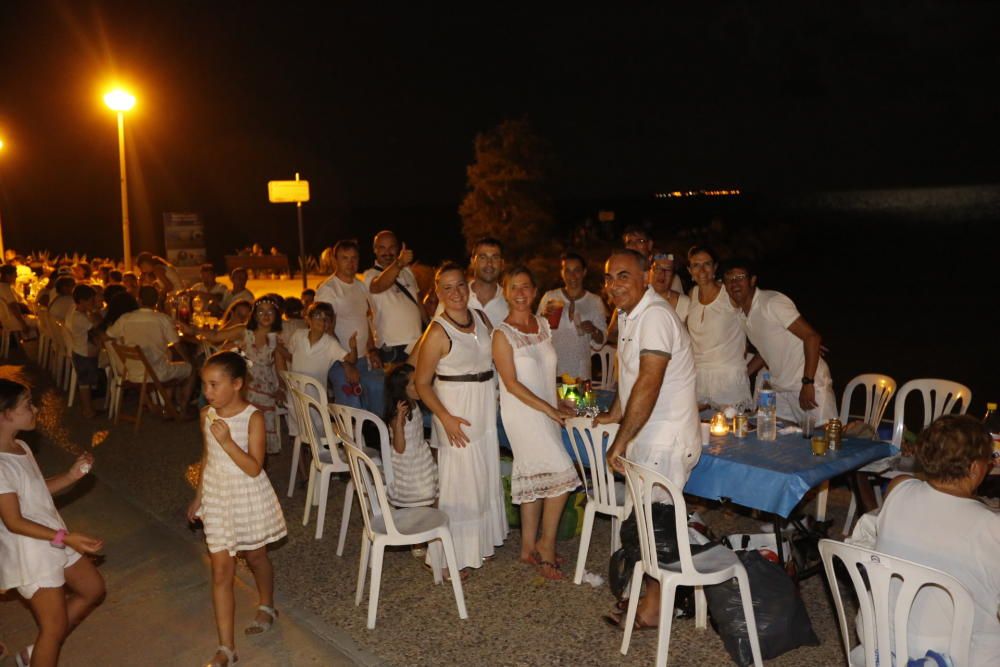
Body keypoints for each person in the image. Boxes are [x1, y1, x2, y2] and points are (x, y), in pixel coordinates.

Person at [597, 249, 700, 631]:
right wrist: (613, 414)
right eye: (609, 278)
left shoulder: (655, 316)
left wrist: (619, 440)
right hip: (648, 435)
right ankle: (650, 596)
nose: (614, 285)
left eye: (623, 276)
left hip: (666, 439)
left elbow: (650, 381)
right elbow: (630, 374)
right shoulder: (629, 315)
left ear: (646, 277)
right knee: (644, 524)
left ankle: (658, 607)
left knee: (656, 526)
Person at [186, 352, 287, 667]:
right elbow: (207, 457)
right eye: (205, 384)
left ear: (238, 384)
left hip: (247, 495)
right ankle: (226, 648)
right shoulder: (206, 416)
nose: (208, 392)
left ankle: (267, 604)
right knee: (220, 571)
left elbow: (255, 468)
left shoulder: (253, 418)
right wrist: (199, 496)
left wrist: (229, 442)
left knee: (256, 557)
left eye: (215, 385)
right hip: (218, 496)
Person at [874, 415, 1000, 666]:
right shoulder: (991, 527)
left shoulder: (897, 490)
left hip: (887, 643)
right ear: (975, 468)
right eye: (990, 459)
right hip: (960, 654)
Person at [0, 373, 105, 667]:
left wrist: (71, 475)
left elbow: (35, 490)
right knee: (53, 628)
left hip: (52, 537)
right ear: (6, 414)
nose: (35, 410)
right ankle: (41, 653)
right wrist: (66, 538)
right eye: (27, 405)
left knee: (93, 588)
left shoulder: (21, 447)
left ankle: (35, 654)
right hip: (30, 551)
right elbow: (14, 522)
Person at [415, 263, 507, 576]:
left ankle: (478, 545)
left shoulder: (481, 318)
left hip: (482, 407)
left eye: (460, 286)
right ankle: (445, 558)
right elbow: (421, 383)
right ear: (439, 292)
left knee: (481, 478)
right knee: (458, 486)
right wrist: (445, 418)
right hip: (455, 412)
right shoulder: (438, 331)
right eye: (448, 288)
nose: (456, 293)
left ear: (468, 288)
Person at [494, 267, 579, 580]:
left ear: (534, 290)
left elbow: (545, 371)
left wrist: (556, 401)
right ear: (506, 292)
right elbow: (512, 384)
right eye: (513, 287)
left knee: (534, 474)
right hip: (522, 414)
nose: (520, 293)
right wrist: (548, 408)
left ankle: (527, 547)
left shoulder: (543, 324)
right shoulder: (502, 334)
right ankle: (546, 544)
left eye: (526, 287)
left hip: (545, 411)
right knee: (563, 473)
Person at [722, 258, 837, 424]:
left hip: (807, 382)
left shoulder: (771, 302)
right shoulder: (742, 315)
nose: (734, 283)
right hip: (780, 387)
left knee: (823, 438)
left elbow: (812, 337)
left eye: (740, 277)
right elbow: (765, 350)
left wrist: (808, 383)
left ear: (752, 280)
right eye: (729, 279)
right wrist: (743, 376)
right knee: (780, 440)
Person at [199, 297, 287, 454]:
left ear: (276, 315)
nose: (265, 315)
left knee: (261, 414)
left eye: (270, 311)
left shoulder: (276, 339)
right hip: (244, 384)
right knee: (240, 402)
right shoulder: (245, 332)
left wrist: (281, 387)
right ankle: (235, 448)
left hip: (266, 387)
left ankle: (257, 456)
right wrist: (193, 329)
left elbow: (281, 367)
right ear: (254, 315)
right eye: (260, 311)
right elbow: (216, 336)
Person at [316, 240, 385, 416]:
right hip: (338, 361)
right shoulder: (328, 290)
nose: (350, 263)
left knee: (379, 391)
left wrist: (372, 350)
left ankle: (374, 440)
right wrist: (346, 363)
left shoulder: (361, 286)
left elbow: (365, 320)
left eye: (354, 258)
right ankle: (351, 442)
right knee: (352, 406)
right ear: (335, 260)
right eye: (345, 258)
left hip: (363, 358)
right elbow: (325, 329)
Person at [107, 286, 197, 417]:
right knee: (190, 369)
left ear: (139, 300)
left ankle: (168, 406)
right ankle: (182, 409)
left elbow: (109, 335)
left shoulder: (125, 318)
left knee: (169, 360)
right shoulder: (162, 319)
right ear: (156, 301)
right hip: (157, 373)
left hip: (132, 373)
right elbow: (177, 345)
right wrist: (189, 360)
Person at [685, 245, 751, 409]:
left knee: (730, 432)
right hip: (698, 379)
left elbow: (761, 318)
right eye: (696, 265)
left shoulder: (729, 293)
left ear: (715, 267)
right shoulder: (691, 295)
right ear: (689, 270)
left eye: (707, 264)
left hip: (728, 380)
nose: (702, 270)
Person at [536, 252, 607, 380]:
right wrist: (543, 318)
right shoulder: (550, 297)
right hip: (553, 370)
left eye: (577, 270)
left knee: (580, 400)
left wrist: (594, 330)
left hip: (581, 372)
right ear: (561, 273)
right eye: (567, 270)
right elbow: (536, 334)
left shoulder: (594, 301)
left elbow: (601, 340)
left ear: (584, 272)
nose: (572, 275)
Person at [362, 231, 425, 365]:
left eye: (391, 247)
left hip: (417, 343)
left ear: (397, 248)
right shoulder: (369, 275)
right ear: (375, 250)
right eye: (382, 248)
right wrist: (399, 262)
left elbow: (418, 303)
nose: (387, 252)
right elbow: (378, 286)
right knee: (395, 385)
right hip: (392, 347)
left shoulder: (407, 271)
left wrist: (429, 326)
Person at [384, 364, 438, 508]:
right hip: (408, 465)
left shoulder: (414, 404)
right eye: (414, 383)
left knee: (431, 491)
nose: (420, 384)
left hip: (420, 458)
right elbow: (400, 448)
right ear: (402, 390)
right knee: (420, 494)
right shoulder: (399, 416)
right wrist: (399, 426)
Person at [66, 284, 104, 418]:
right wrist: (95, 311)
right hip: (84, 353)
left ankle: (88, 408)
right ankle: (87, 410)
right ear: (82, 301)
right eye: (91, 300)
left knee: (85, 382)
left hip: (79, 351)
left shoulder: (77, 313)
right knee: (85, 383)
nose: (93, 303)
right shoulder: (80, 318)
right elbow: (99, 326)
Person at [622, 226, 682, 292]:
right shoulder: (621, 271)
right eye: (629, 242)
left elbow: (672, 258)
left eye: (640, 241)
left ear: (650, 244)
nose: (633, 245)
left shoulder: (662, 270)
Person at [649, 253, 690, 322]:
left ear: (673, 276)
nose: (662, 274)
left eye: (668, 270)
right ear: (650, 271)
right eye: (658, 268)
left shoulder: (685, 303)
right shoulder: (637, 300)